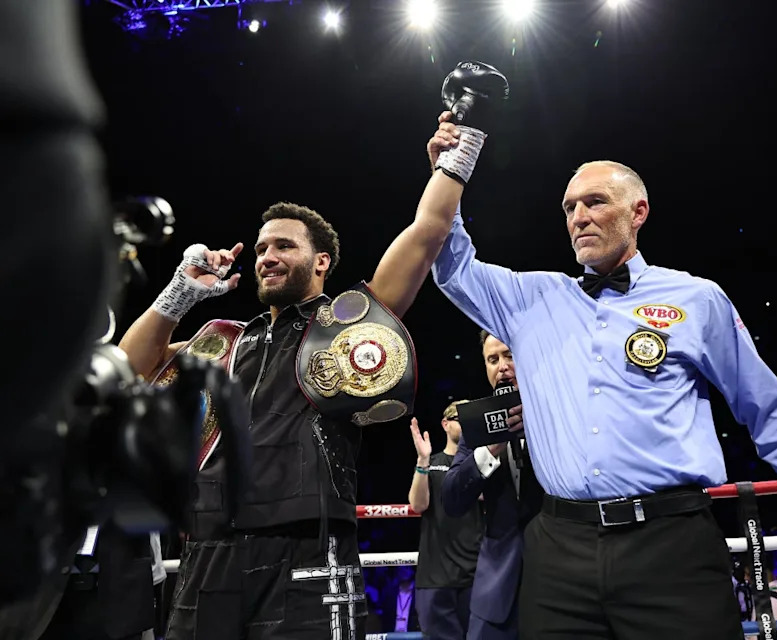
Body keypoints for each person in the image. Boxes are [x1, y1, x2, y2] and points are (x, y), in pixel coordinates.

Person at [420, 120, 777, 638]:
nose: (579, 218)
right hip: (558, 551)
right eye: (570, 208)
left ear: (638, 212)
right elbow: (450, 264)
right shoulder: (532, 299)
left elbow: (769, 413)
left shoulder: (696, 299)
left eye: (594, 202)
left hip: (672, 545)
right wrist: (449, 170)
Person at [116, 113, 465, 640]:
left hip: (309, 544)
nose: (267, 257)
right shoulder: (224, 340)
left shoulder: (348, 323)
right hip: (210, 544)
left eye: (283, 246)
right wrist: (180, 292)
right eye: (260, 249)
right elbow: (130, 368)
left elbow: (426, 233)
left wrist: (454, 159)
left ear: (321, 261)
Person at [441, 331, 544, 640]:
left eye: (509, 356)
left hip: (559, 583)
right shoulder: (476, 424)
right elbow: (452, 499)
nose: (502, 367)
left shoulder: (560, 414)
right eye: (493, 359)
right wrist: (492, 448)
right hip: (496, 593)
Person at [407, 401, 484, 640]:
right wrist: (422, 461)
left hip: (477, 574)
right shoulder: (432, 464)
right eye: (463, 418)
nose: (469, 422)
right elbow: (418, 505)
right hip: (436, 577)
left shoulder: (484, 463)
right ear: (446, 424)